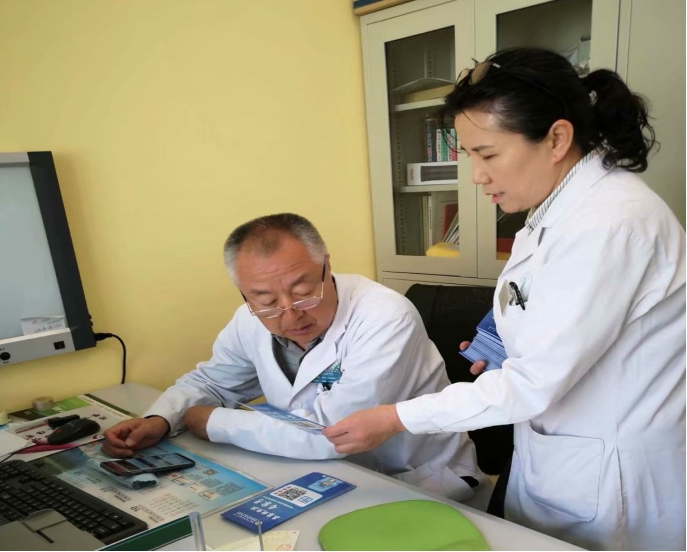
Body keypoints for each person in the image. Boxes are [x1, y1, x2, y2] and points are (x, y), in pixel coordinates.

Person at [322, 47, 686, 551]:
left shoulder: (609, 223)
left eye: (488, 154)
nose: (476, 175)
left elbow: (535, 381)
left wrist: (393, 418)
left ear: (556, 138)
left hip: (611, 475)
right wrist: (503, 349)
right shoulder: (558, 208)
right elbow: (545, 314)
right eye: (469, 155)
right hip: (562, 455)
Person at [102, 213, 491, 507]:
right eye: (266, 301)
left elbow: (333, 434)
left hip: (416, 483)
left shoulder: (384, 316)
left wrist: (213, 422)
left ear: (326, 266)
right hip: (317, 474)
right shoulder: (249, 319)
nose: (290, 316)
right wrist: (161, 418)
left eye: (303, 292)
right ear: (245, 294)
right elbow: (213, 381)